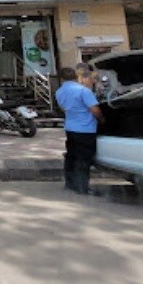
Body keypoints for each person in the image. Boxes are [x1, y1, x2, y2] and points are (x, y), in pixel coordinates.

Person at [55, 66, 103, 195]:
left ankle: (69, 184)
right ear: (76, 77)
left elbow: (63, 109)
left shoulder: (59, 92)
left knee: (71, 156)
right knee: (83, 159)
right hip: (86, 130)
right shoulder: (84, 91)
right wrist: (102, 120)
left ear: (61, 79)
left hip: (70, 128)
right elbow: (95, 110)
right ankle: (82, 187)